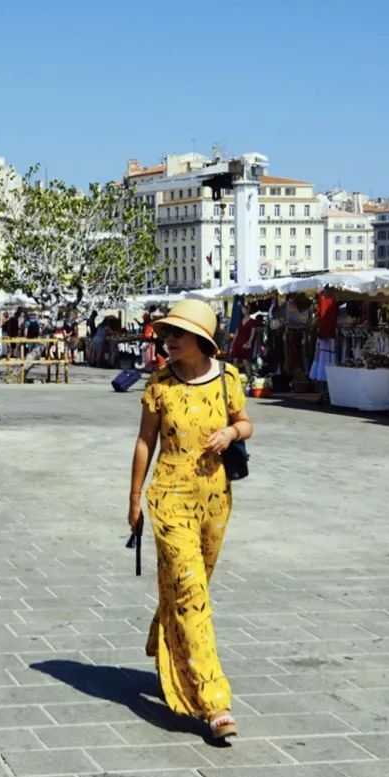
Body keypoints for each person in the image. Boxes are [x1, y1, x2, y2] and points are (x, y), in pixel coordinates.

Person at [128, 299, 253, 741]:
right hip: (169, 498)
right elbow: (145, 442)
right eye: (167, 334)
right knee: (190, 590)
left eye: (177, 334)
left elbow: (246, 422)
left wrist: (232, 433)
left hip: (216, 500)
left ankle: (164, 640)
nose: (169, 340)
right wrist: (134, 499)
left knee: (189, 586)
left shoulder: (229, 380)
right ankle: (212, 700)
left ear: (201, 340)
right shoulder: (160, 385)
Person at [309, 286, 338, 402]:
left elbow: (320, 314)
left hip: (325, 333)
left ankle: (322, 392)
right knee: (327, 360)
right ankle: (325, 392)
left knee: (322, 360)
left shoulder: (323, 297)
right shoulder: (334, 297)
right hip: (330, 333)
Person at [230, 303, 257, 382]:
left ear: (248, 310)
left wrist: (249, 342)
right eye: (242, 309)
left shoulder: (252, 321)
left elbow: (253, 333)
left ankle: (250, 378)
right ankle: (235, 379)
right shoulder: (240, 321)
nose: (242, 311)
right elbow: (236, 334)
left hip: (245, 343)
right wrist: (232, 344)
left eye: (244, 309)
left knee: (246, 361)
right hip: (237, 343)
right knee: (235, 361)